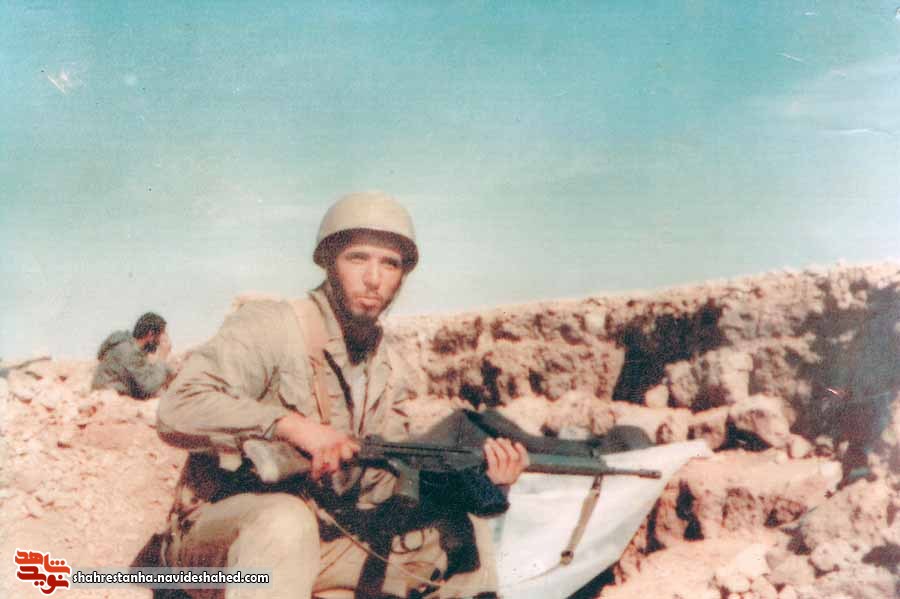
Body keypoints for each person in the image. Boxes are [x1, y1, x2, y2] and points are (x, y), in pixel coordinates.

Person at [155, 192, 529, 599]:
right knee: (285, 522)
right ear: (329, 261)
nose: (374, 278)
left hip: (326, 538)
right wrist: (290, 426)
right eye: (358, 258)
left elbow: (381, 481)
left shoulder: (388, 368)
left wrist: (482, 481)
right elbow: (177, 408)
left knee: (461, 529)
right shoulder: (272, 327)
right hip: (219, 547)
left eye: (390, 264)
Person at [91, 312, 173, 399]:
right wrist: (162, 359)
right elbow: (149, 386)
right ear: (151, 335)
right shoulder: (129, 352)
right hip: (108, 397)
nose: (162, 340)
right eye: (161, 335)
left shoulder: (129, 347)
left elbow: (145, 373)